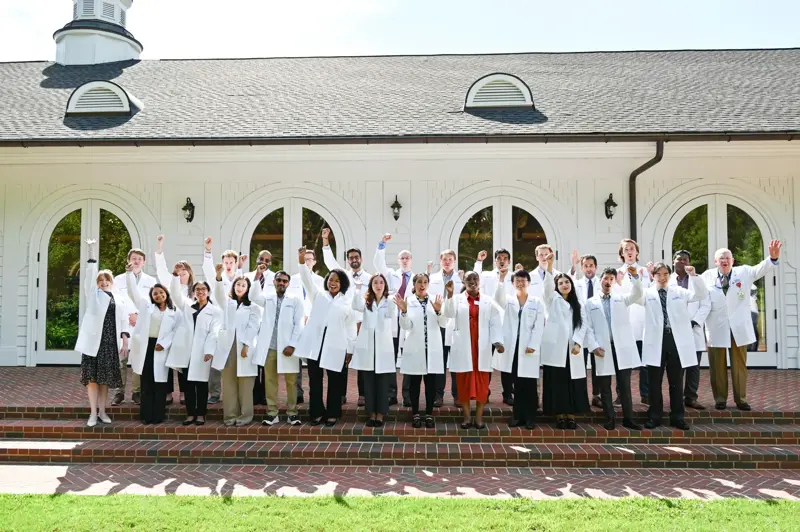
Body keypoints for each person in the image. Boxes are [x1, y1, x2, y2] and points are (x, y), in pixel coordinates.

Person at [702, 241, 781, 411]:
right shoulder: (706, 276)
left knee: (739, 366)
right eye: (721, 258)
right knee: (717, 366)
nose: (725, 260)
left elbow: (761, 268)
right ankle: (720, 399)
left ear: (733, 260)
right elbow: (694, 291)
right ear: (715, 262)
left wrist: (772, 257)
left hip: (738, 327)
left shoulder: (743, 272)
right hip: (716, 327)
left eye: (728, 258)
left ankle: (741, 399)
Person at [639, 262, 708, 430]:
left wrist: (693, 276)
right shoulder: (646, 293)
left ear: (669, 276)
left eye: (665, 274)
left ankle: (677, 416)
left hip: (675, 340)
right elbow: (633, 295)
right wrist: (637, 277)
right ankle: (654, 416)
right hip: (656, 340)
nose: (662, 278)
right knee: (654, 381)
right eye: (658, 275)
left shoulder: (679, 292)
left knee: (676, 381)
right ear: (653, 276)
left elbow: (700, 294)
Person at [295, 247, 356, 427]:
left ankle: (333, 413)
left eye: (337, 280)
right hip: (316, 344)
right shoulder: (318, 295)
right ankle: (316, 412)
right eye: (330, 280)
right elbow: (306, 279)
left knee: (335, 381)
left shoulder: (346, 300)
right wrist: (301, 262)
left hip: (336, 345)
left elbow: (351, 327)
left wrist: (350, 350)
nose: (333, 283)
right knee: (315, 380)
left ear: (342, 283)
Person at [75, 239, 130, 427]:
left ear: (111, 282)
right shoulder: (94, 295)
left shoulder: (118, 299)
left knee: (104, 380)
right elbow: (89, 279)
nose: (104, 283)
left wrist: (125, 340)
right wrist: (91, 254)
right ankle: (92, 414)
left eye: (107, 280)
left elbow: (123, 321)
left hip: (109, 342)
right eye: (101, 281)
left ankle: (103, 411)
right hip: (93, 343)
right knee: (92, 379)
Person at [583, 266, 644, 430]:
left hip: (621, 347)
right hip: (603, 348)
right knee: (605, 386)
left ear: (615, 282)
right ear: (600, 279)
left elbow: (637, 294)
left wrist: (635, 277)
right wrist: (593, 346)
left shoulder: (621, 299)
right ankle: (609, 418)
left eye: (611, 279)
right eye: (606, 278)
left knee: (624, 385)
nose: (608, 281)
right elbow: (587, 327)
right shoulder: (590, 303)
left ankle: (628, 418)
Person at [444, 272, 503, 429]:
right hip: (463, 346)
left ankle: (478, 417)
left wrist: (498, 341)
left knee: (482, 383)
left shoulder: (488, 301)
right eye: (468, 279)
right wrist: (449, 295)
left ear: (479, 281)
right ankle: (466, 417)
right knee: (463, 382)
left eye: (475, 279)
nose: (472, 282)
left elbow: (495, 322)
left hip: (481, 347)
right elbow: (448, 314)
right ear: (464, 281)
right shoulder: (456, 299)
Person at [321, 228, 373, 407]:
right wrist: (325, 241)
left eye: (356, 257)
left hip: (364, 323)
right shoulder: (343, 277)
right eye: (350, 258)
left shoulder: (370, 277)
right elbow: (329, 261)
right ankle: (341, 394)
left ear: (361, 259)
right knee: (342, 358)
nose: (354, 260)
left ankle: (363, 394)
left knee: (362, 358)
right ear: (348, 260)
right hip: (346, 323)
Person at [125, 264, 180, 425]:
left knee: (160, 382)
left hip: (162, 348)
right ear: (151, 296)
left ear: (166, 294)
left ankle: (158, 415)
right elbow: (132, 292)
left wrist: (164, 343)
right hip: (147, 347)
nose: (158, 295)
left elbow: (176, 330)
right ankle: (146, 415)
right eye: (155, 293)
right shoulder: (146, 306)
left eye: (161, 292)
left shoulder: (173, 311)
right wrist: (129, 274)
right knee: (147, 382)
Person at [250, 267, 305, 426]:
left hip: (288, 348)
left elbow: (299, 324)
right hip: (270, 347)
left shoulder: (295, 299)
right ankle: (272, 413)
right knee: (270, 381)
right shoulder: (267, 298)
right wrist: (257, 276)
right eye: (279, 280)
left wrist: (293, 345)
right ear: (274, 282)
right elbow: (253, 295)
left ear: (288, 283)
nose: (281, 283)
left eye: (284, 281)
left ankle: (292, 413)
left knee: (291, 381)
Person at [492, 269, 545, 429]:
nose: (521, 283)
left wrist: (533, 345)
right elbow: (497, 299)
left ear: (529, 283)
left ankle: (530, 418)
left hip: (528, 349)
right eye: (517, 281)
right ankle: (517, 416)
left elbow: (539, 326)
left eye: (524, 281)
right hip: (513, 349)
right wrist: (501, 279)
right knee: (516, 384)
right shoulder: (507, 300)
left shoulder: (537, 302)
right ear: (513, 283)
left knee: (528, 384)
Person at [540, 253, 588, 430]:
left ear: (571, 285)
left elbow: (583, 324)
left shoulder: (579, 304)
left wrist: (577, 343)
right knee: (557, 382)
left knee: (572, 382)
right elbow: (546, 288)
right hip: (556, 349)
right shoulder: (552, 299)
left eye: (567, 282)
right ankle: (559, 415)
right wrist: (550, 267)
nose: (564, 285)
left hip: (573, 349)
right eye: (560, 283)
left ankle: (571, 415)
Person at [395, 273, 448, 428]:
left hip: (432, 348)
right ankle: (416, 413)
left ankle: (430, 414)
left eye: (425, 282)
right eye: (419, 282)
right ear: (414, 284)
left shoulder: (435, 300)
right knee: (415, 383)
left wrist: (439, 311)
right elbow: (406, 326)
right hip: (415, 348)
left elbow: (443, 323)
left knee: (430, 384)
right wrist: (404, 312)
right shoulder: (409, 301)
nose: (422, 285)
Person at [168, 277, 222, 426]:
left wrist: (209, 350)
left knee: (202, 384)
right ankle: (190, 413)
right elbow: (175, 294)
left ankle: (201, 414)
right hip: (187, 351)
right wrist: (175, 275)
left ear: (208, 292)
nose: (200, 292)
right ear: (193, 292)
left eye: (203, 289)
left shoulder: (215, 311)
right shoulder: (188, 307)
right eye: (197, 289)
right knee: (188, 385)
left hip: (203, 352)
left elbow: (214, 332)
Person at [213, 267, 261, 426]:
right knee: (229, 383)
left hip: (244, 348)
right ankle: (230, 416)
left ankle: (245, 416)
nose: (240, 287)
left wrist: (246, 345)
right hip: (228, 347)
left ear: (248, 289)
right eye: (237, 285)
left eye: (243, 285)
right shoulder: (228, 303)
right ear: (233, 287)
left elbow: (253, 327)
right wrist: (219, 277)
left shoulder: (253, 306)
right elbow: (219, 295)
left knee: (246, 385)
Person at [111, 248, 156, 406]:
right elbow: (116, 301)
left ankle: (136, 391)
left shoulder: (151, 281)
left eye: (139, 259)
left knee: (138, 358)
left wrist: (138, 316)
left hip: (141, 324)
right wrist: (128, 315)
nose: (136, 261)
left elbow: (153, 303)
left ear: (143, 262)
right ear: (128, 261)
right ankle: (119, 392)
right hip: (124, 323)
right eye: (133, 258)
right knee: (121, 359)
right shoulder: (118, 279)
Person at [373, 233, 414, 407]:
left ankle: (407, 395)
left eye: (407, 258)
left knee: (409, 358)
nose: (404, 260)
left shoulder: (417, 277)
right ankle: (391, 393)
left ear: (411, 260)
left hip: (410, 322)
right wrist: (382, 244)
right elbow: (378, 264)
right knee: (391, 356)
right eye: (402, 258)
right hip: (392, 321)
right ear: (398, 260)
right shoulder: (390, 274)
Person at [350, 274, 397, 427]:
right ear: (371, 285)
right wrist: (357, 289)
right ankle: (371, 413)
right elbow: (355, 305)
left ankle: (381, 414)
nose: (378, 285)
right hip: (368, 349)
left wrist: (393, 300)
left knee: (383, 384)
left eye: (381, 282)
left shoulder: (389, 301)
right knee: (368, 383)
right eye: (375, 282)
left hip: (383, 349)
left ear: (385, 285)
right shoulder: (365, 302)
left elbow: (392, 314)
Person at [154, 234, 195, 406]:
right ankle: (168, 392)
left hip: (185, 328)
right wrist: (160, 248)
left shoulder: (195, 289)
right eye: (179, 273)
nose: (182, 276)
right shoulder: (170, 286)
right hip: (169, 326)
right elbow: (161, 269)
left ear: (189, 274)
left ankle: (184, 392)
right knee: (166, 360)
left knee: (183, 361)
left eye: (184, 273)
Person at [474, 248, 516, 405]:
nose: (502, 260)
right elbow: (475, 278)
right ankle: (485, 391)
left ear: (509, 261)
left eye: (505, 258)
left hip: (507, 322)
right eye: (499, 258)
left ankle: (508, 393)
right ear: (495, 260)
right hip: (488, 321)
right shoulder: (487, 275)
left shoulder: (514, 276)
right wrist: (479, 261)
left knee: (506, 359)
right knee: (487, 359)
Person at [670, 250, 711, 410]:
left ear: (689, 262)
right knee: (676, 367)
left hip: (693, 328)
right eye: (679, 259)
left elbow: (706, 304)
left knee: (693, 367)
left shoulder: (697, 280)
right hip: (675, 329)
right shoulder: (668, 280)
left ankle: (691, 397)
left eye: (685, 259)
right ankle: (676, 397)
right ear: (673, 262)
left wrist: (695, 321)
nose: (682, 262)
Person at [203, 237, 242, 405]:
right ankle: (214, 392)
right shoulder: (217, 277)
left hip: (237, 325)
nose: (228, 264)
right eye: (225, 261)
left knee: (236, 360)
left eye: (231, 262)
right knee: (216, 360)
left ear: (236, 263)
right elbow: (207, 268)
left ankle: (236, 394)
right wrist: (208, 250)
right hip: (219, 323)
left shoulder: (241, 279)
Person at [613, 239, 652, 405]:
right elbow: (614, 297)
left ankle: (646, 393)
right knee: (624, 362)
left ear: (637, 252)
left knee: (645, 362)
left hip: (643, 322)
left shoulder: (646, 272)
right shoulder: (616, 273)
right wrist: (619, 283)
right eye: (625, 249)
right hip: (625, 323)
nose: (629, 252)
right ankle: (622, 394)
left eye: (632, 249)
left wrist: (651, 275)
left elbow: (650, 294)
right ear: (621, 254)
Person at [288, 248, 324, 405]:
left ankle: (313, 393)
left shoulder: (321, 280)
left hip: (312, 324)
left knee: (311, 363)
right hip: (296, 323)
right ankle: (297, 392)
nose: (307, 261)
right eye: (305, 258)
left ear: (315, 261)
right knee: (295, 360)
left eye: (310, 259)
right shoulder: (292, 280)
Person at [428, 249, 463, 407]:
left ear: (454, 261)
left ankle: (457, 395)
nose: (447, 262)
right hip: (438, 322)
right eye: (444, 259)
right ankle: (438, 394)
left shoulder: (461, 279)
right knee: (439, 361)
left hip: (455, 324)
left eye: (450, 259)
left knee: (456, 360)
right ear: (440, 261)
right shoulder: (432, 278)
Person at [569, 251, 602, 408]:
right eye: (586, 266)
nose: (589, 269)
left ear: (596, 267)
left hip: (596, 329)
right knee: (579, 364)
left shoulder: (601, 283)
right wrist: (572, 267)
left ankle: (597, 395)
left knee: (598, 365)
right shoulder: (576, 284)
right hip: (581, 328)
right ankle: (579, 396)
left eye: (591, 266)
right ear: (582, 268)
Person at [246, 250, 275, 407]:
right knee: (252, 358)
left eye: (267, 260)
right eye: (261, 259)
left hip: (266, 321)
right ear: (256, 260)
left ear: (270, 263)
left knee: (265, 360)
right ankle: (254, 393)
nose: (264, 261)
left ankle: (264, 394)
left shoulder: (274, 277)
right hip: (250, 320)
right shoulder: (248, 276)